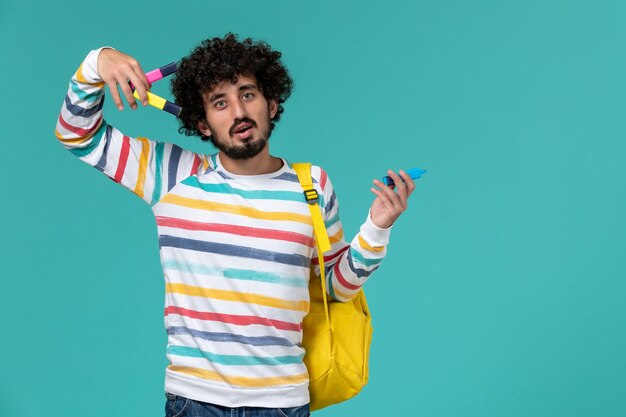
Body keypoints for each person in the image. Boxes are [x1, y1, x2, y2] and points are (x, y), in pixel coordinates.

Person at [55, 34, 415, 417]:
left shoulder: (312, 185)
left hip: (282, 404)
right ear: (203, 124)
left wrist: (377, 228)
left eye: (247, 94)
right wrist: (97, 62)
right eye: (219, 102)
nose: (238, 113)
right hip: (193, 402)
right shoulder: (171, 176)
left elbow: (335, 287)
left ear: (271, 103)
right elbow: (77, 135)